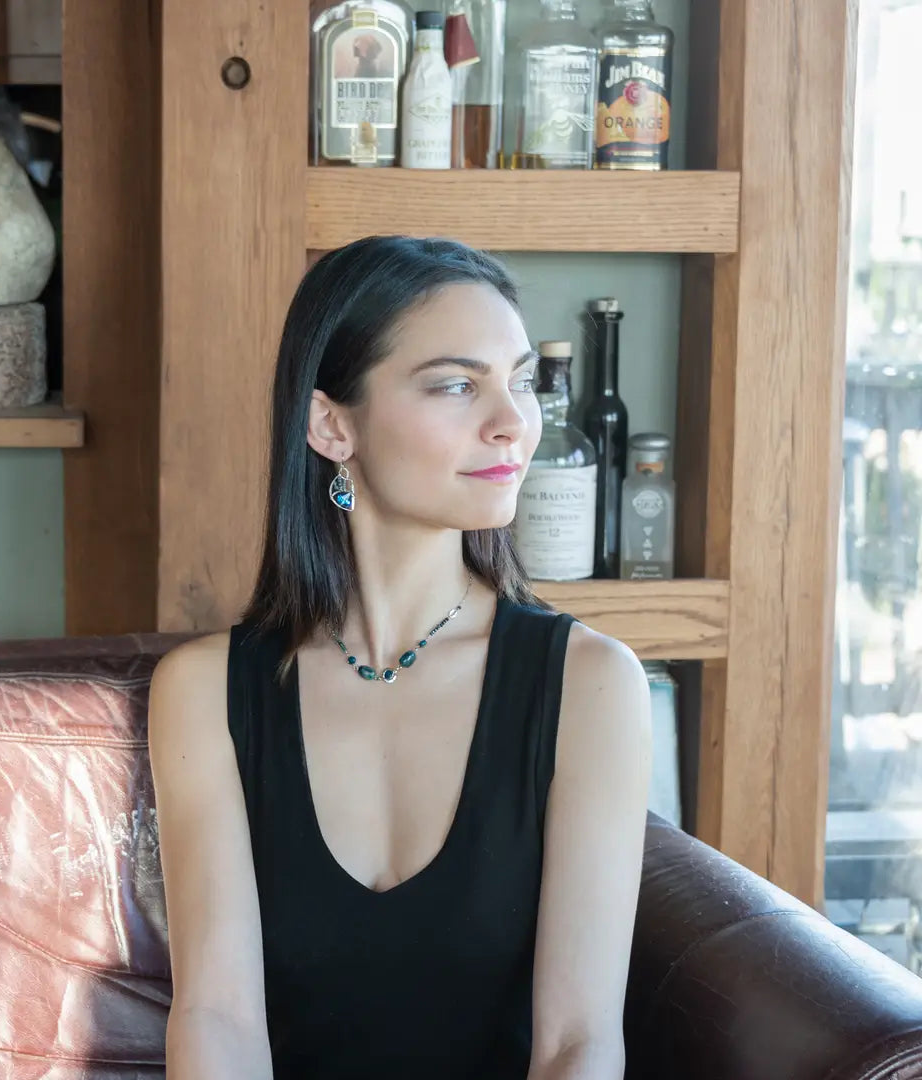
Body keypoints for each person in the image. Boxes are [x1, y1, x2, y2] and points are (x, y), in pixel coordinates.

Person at [148, 236, 652, 1080]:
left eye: (520, 380)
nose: (513, 422)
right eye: (458, 384)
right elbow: (217, 1018)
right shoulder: (203, 691)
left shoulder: (591, 685)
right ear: (332, 425)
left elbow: (578, 1043)